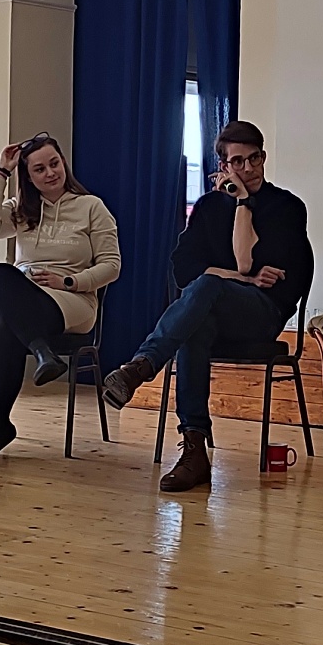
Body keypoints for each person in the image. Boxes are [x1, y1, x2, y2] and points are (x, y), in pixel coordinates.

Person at [101, 120, 311, 493]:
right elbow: (185, 270)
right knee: (197, 321)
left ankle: (143, 365)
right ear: (223, 166)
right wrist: (241, 277)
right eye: (238, 162)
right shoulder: (209, 207)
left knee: (206, 289)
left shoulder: (287, 207)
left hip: (263, 315)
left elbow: (246, 263)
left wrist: (243, 204)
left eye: (255, 158)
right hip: (215, 313)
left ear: (264, 157)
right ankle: (194, 449)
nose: (249, 168)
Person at [0, 133, 122, 460]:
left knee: (4, 326)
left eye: (54, 164)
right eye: (39, 169)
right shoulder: (21, 209)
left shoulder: (91, 207)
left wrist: (69, 281)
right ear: (29, 177)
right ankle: (40, 351)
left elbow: (112, 265)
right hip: (24, 296)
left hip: (72, 300)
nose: (50, 173)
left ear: (63, 163)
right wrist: (1, 172)